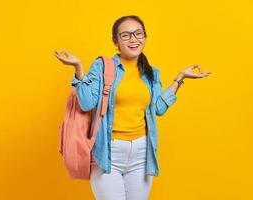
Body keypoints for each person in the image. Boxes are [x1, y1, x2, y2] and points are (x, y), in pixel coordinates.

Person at [54, 15, 211, 200]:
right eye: (126, 35)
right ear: (116, 41)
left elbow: (158, 108)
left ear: (144, 37)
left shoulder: (151, 73)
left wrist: (180, 78)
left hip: (141, 154)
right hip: (108, 153)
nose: (133, 39)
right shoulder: (103, 66)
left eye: (138, 34)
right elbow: (87, 102)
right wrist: (78, 68)